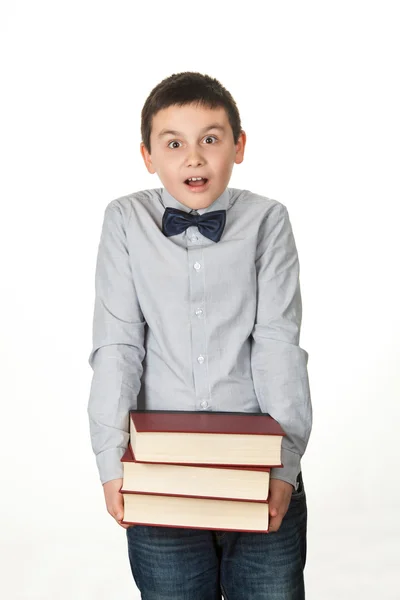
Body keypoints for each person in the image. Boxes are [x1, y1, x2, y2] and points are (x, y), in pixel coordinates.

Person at [87, 71, 313, 600]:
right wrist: (108, 459)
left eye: (210, 139)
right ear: (148, 155)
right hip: (159, 468)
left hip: (258, 465)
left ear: (239, 146)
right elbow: (118, 345)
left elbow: (279, 343)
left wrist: (285, 465)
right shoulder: (124, 220)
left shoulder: (267, 220)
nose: (194, 158)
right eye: (174, 143)